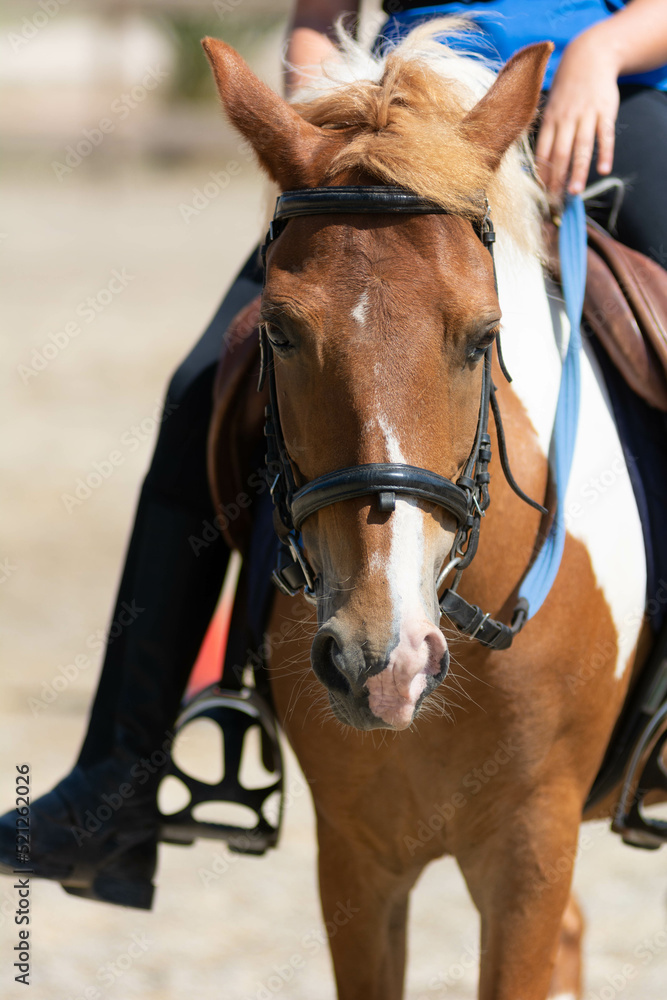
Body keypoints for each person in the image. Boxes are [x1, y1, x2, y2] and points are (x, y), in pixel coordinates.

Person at [2, 0, 666, 909]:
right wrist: (319, 101)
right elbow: (319, 16)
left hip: (596, 102)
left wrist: (605, 48)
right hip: (390, 132)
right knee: (205, 386)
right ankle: (115, 781)